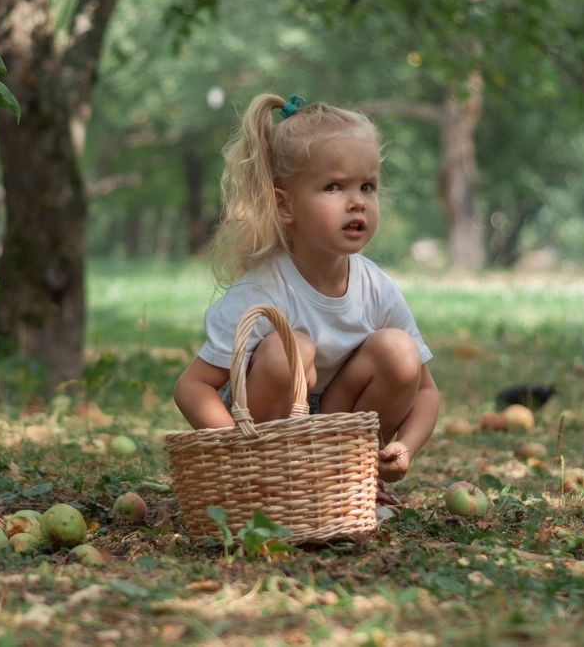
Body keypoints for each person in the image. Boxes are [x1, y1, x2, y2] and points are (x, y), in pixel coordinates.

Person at [172, 93, 440, 505]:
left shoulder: (376, 287)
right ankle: (271, 488)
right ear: (285, 205)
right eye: (334, 186)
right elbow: (192, 387)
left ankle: (347, 481)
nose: (357, 201)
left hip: (333, 430)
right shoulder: (262, 290)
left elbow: (425, 391)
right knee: (290, 350)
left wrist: (406, 446)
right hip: (266, 432)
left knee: (399, 351)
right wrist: (238, 451)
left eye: (367, 186)